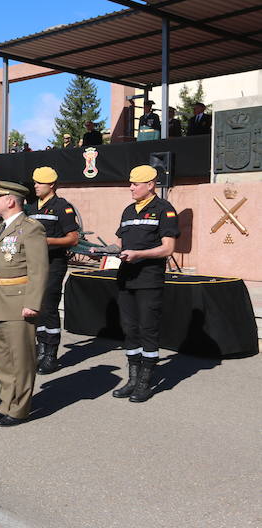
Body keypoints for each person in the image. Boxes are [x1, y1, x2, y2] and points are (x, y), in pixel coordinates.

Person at [0, 181, 48, 427]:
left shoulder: (31, 228)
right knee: (2, 358)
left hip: (19, 301)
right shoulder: (0, 228)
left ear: (10, 200)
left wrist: (32, 303)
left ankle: (19, 409)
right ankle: (5, 404)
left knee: (20, 359)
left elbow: (39, 269)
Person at [110, 165, 179, 403]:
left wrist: (140, 255)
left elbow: (168, 248)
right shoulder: (128, 210)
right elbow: (119, 244)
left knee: (148, 330)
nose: (131, 188)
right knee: (130, 329)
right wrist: (105, 253)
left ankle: (145, 382)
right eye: (130, 183)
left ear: (150, 185)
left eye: (135, 184)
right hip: (126, 279)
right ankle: (132, 378)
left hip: (148, 280)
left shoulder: (164, 210)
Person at [29, 167, 79, 374]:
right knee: (35, 307)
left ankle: (50, 353)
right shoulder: (31, 208)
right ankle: (40, 349)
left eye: (40, 183)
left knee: (49, 308)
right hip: (33, 266)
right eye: (35, 182)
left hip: (53, 264)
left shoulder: (62, 207)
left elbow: (73, 238)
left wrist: (46, 241)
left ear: (51, 185)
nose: (36, 186)